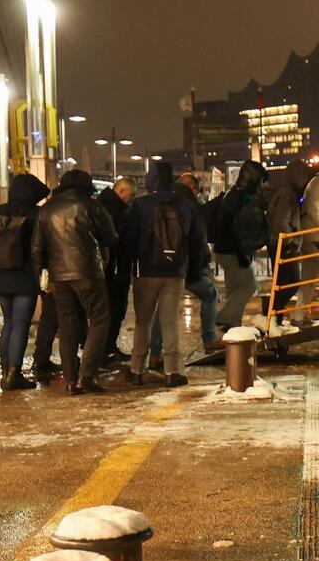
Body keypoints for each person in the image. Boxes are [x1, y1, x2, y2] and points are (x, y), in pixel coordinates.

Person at [31, 168, 117, 395]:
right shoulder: (92, 206)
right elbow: (111, 237)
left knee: (67, 324)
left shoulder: (46, 210)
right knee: (99, 320)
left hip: (59, 276)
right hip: (88, 272)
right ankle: (86, 376)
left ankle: (70, 379)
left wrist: (42, 278)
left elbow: (37, 248)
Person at [122, 159, 205, 387]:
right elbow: (197, 240)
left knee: (143, 322)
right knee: (169, 322)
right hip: (175, 273)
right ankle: (173, 371)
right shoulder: (185, 204)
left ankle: (137, 369)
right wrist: (193, 270)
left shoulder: (141, 205)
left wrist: (125, 268)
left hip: (145, 272)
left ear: (151, 180)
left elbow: (128, 239)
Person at [0, 173, 50, 391]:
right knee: (21, 324)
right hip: (24, 275)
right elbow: (41, 245)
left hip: (0, 275)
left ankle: (6, 373)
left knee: (9, 322)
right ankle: (15, 374)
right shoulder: (35, 214)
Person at [149, 170, 219, 358]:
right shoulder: (190, 205)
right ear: (192, 188)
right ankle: (210, 339)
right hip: (186, 265)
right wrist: (199, 266)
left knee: (164, 306)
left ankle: (155, 352)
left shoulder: (160, 202)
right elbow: (197, 240)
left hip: (160, 264)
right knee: (210, 294)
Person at [210, 159, 269, 325]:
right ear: (252, 179)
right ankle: (224, 318)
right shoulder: (239, 196)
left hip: (225, 250)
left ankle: (233, 326)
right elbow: (231, 227)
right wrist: (241, 254)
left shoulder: (234, 193)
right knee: (248, 286)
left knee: (235, 289)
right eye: (260, 181)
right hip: (232, 252)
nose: (261, 186)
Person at [264, 158, 315, 326]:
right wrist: (290, 243)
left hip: (279, 243)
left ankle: (273, 319)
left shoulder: (285, 191)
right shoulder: (287, 194)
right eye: (304, 176)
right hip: (284, 245)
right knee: (290, 283)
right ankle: (270, 315)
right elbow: (281, 221)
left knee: (282, 284)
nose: (306, 180)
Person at [95, 175, 136, 365]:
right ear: (121, 191)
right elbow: (121, 243)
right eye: (130, 194)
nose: (131, 198)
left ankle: (105, 349)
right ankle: (107, 350)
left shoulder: (99, 205)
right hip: (115, 269)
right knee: (115, 310)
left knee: (105, 311)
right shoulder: (117, 211)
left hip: (102, 269)